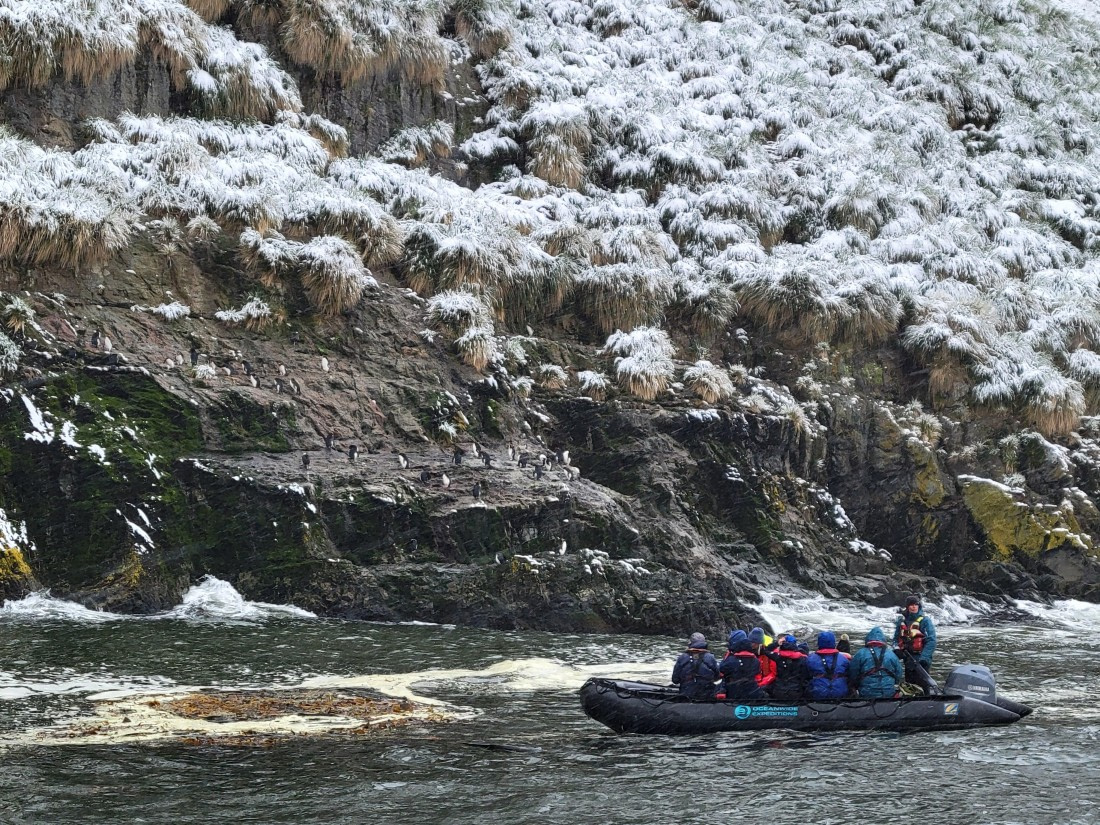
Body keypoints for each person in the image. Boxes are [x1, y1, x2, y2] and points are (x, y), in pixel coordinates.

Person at [894, 595, 937, 694]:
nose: (913, 607)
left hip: (921, 660)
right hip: (908, 659)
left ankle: (927, 701)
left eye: (916, 605)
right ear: (907, 607)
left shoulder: (925, 621)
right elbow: (896, 639)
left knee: (923, 685)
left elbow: (931, 640)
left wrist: (924, 658)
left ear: (919, 606)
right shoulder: (902, 622)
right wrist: (897, 650)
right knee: (910, 686)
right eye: (911, 605)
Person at [848, 626, 904, 698]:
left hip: (867, 693)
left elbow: (853, 674)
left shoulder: (860, 654)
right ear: (883, 640)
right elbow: (898, 674)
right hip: (888, 693)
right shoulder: (891, 655)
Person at [719, 630, 766, 700]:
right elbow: (757, 673)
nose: (753, 645)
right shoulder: (755, 660)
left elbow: (722, 669)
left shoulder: (731, 659)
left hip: (735, 691)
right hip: (751, 690)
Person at [671, 632, 719, 699]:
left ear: (690, 643)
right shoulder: (710, 657)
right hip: (706, 694)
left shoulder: (682, 657)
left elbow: (675, 680)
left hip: (686, 693)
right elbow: (717, 676)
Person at [806, 631, 851, 700]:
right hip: (839, 692)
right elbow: (849, 674)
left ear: (819, 643)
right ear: (834, 642)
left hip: (818, 692)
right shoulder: (844, 658)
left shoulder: (810, 658)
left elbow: (806, 675)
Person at [767, 635, 809, 701]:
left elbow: (766, 650)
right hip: (795, 692)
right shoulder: (803, 659)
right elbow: (805, 677)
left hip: (778, 692)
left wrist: (777, 643)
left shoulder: (778, 657)